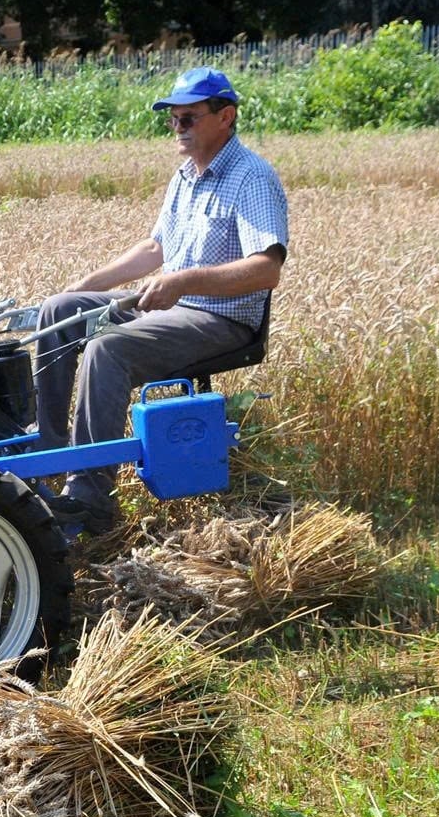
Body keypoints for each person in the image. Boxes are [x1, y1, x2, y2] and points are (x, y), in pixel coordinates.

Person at [33, 66, 288, 534]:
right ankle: (45, 454)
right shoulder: (186, 176)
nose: (177, 127)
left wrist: (183, 282)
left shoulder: (251, 177)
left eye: (188, 118)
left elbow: (266, 269)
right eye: (172, 118)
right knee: (59, 311)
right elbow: (155, 248)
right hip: (176, 308)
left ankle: (91, 500)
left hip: (219, 320)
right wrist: (85, 286)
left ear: (226, 116)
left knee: (107, 349)